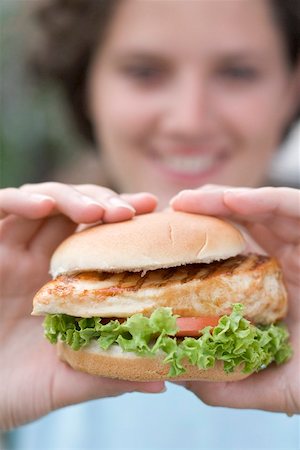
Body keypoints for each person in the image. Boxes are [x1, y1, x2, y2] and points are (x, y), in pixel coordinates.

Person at [1, 0, 300, 448]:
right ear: (86, 87)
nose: (189, 120)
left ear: (291, 89)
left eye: (237, 72)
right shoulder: (16, 274)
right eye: (143, 71)